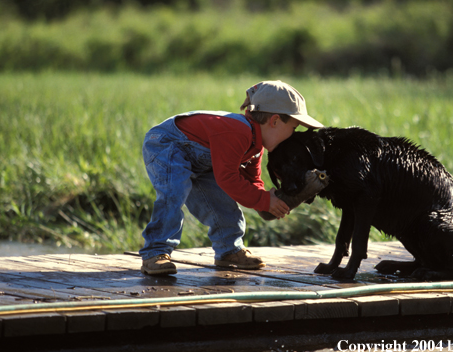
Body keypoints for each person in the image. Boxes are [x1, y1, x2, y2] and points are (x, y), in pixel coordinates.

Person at [139, 80, 324, 275]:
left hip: (200, 161)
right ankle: (155, 252)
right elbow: (227, 177)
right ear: (275, 121)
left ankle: (229, 250)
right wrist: (263, 200)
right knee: (173, 194)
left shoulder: (255, 147)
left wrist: (265, 202)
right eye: (293, 128)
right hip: (167, 144)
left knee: (221, 202)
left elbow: (252, 180)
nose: (292, 135)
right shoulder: (239, 132)